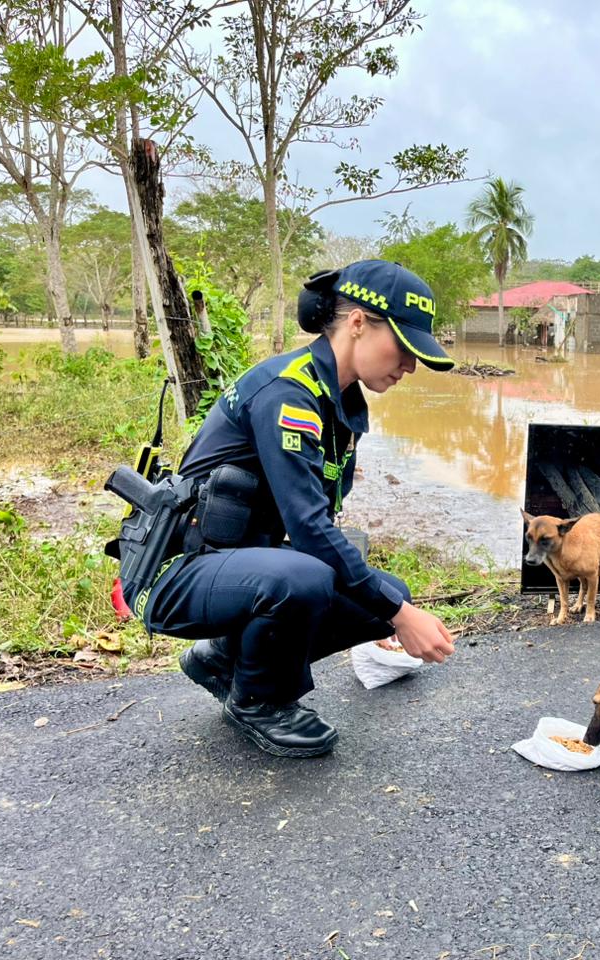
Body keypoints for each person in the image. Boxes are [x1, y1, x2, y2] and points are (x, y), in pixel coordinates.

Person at [139, 261, 457, 758]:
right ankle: (259, 702)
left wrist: (394, 607)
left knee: (387, 592)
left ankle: (222, 659)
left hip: (236, 562)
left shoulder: (338, 403)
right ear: (358, 323)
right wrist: (400, 617)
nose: (410, 366)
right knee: (321, 580)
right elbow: (309, 531)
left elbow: (318, 522)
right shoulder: (289, 393)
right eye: (403, 347)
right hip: (175, 570)